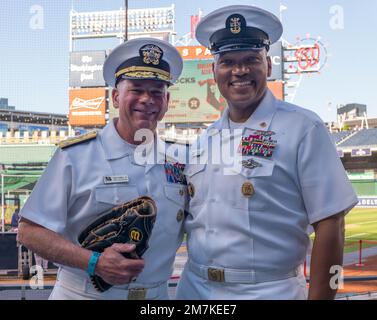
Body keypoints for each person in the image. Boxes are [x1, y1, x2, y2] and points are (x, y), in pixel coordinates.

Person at [176, 5, 358, 300]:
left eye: (251, 59)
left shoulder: (304, 127)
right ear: (214, 71)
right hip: (194, 290)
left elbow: (331, 224)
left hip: (268, 291)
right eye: (228, 62)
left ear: (268, 66)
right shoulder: (204, 140)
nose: (240, 71)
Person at [18, 38, 187, 300]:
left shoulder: (181, 159)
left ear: (167, 100)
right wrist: (93, 262)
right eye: (137, 89)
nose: (147, 99)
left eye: (156, 92)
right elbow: (30, 231)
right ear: (116, 96)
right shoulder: (75, 156)